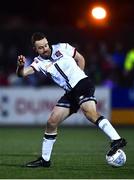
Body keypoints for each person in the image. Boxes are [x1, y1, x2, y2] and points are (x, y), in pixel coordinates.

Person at [16, 32, 127, 168]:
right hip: (70, 93)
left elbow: (80, 59)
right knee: (52, 122)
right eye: (41, 47)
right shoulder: (38, 62)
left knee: (90, 114)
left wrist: (80, 76)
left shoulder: (62, 47)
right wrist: (20, 66)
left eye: (46, 45)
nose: (45, 48)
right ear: (35, 49)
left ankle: (117, 139)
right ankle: (45, 160)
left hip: (82, 84)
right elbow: (22, 74)